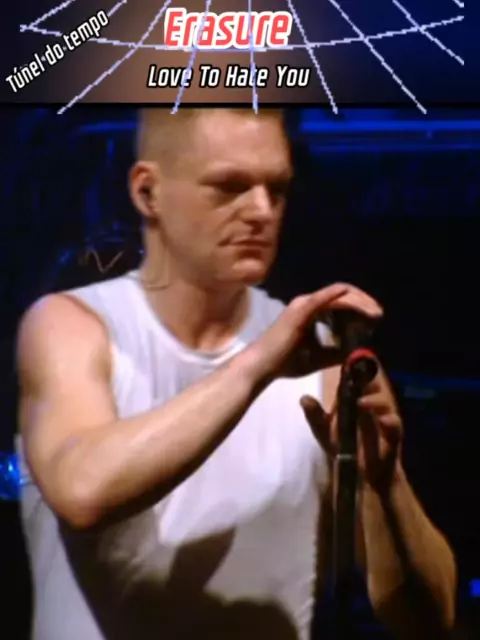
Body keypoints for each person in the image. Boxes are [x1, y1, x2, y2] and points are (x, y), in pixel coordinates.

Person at [16, 108, 456, 640]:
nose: (262, 211)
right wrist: (258, 363)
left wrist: (385, 486)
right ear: (148, 192)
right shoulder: (72, 326)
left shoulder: (324, 366)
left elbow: (428, 621)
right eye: (229, 187)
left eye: (277, 189)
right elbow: (83, 491)